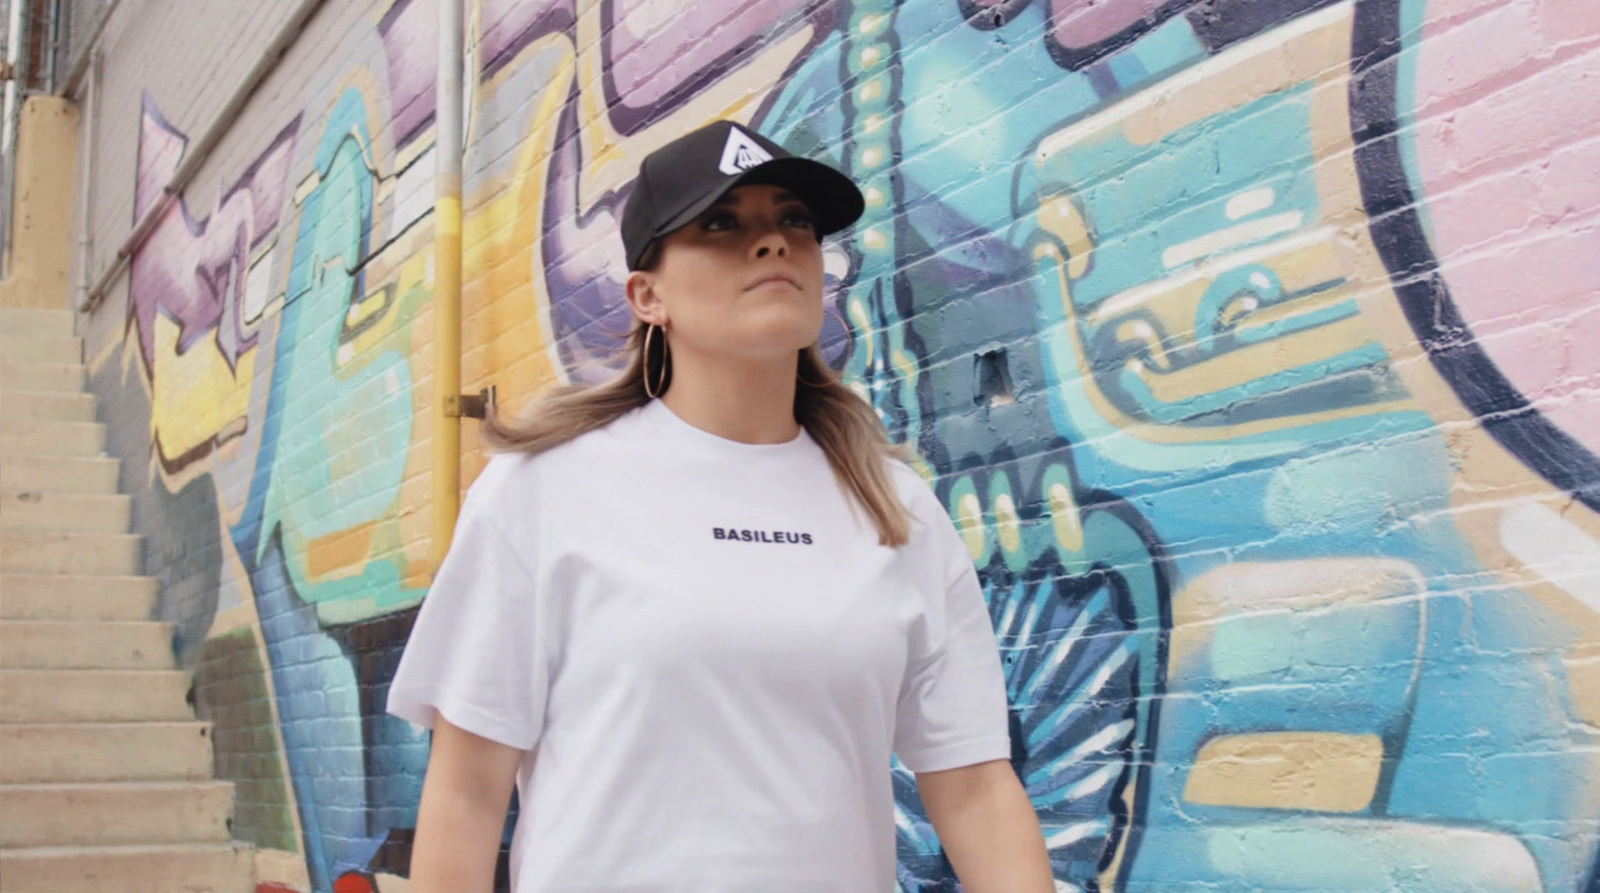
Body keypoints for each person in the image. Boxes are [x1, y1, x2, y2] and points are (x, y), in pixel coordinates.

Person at [386, 120, 1054, 893]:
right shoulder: (544, 489)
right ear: (648, 295)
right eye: (721, 223)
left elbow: (973, 788)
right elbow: (468, 793)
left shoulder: (896, 510)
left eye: (793, 221)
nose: (772, 243)